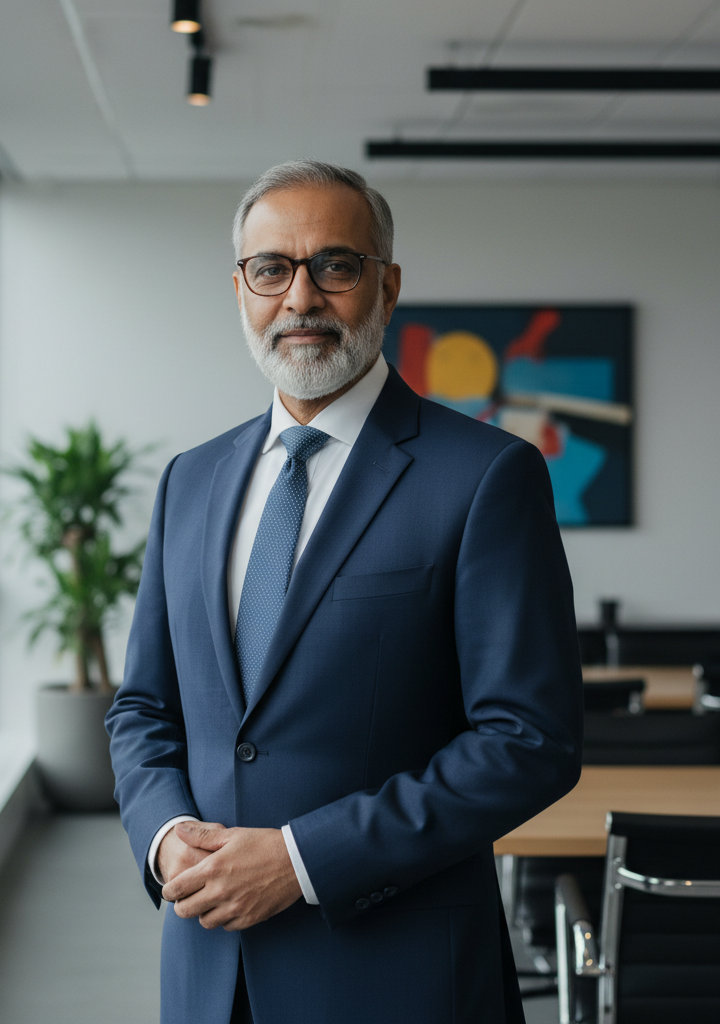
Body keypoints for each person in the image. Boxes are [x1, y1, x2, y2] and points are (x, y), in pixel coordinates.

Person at [105, 160, 583, 1024]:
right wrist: (167, 836)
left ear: (387, 287)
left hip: (397, 977)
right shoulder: (190, 480)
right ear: (241, 289)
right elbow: (143, 707)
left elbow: (528, 740)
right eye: (272, 269)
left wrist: (300, 858)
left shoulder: (484, 477)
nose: (300, 298)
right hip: (209, 973)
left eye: (335, 265)